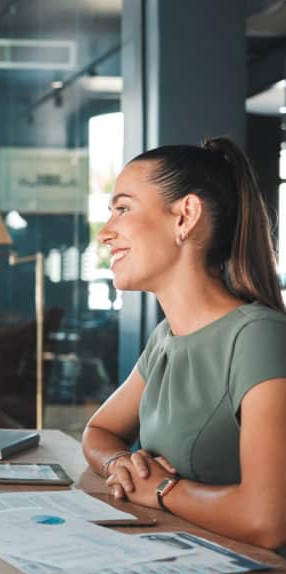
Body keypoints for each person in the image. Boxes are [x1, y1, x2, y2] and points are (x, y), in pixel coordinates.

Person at [82, 137, 286, 551]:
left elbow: (267, 521)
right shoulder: (165, 339)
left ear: (185, 216)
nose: (106, 233)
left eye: (122, 208)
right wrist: (121, 465)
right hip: (176, 558)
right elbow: (99, 431)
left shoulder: (259, 336)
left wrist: (162, 490)